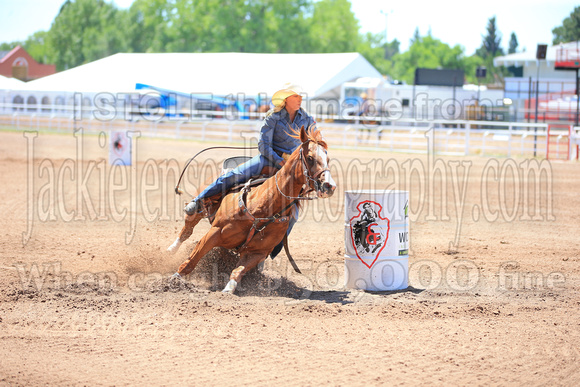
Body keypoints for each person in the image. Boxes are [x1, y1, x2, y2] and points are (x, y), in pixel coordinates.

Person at [183, 83, 317, 254]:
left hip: (291, 168)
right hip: (267, 160)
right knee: (233, 175)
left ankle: (271, 248)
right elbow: (264, 146)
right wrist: (280, 161)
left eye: (300, 97)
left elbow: (314, 142)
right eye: (295, 96)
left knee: (293, 212)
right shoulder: (273, 117)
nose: (300, 99)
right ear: (286, 99)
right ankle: (198, 202)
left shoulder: (307, 119)